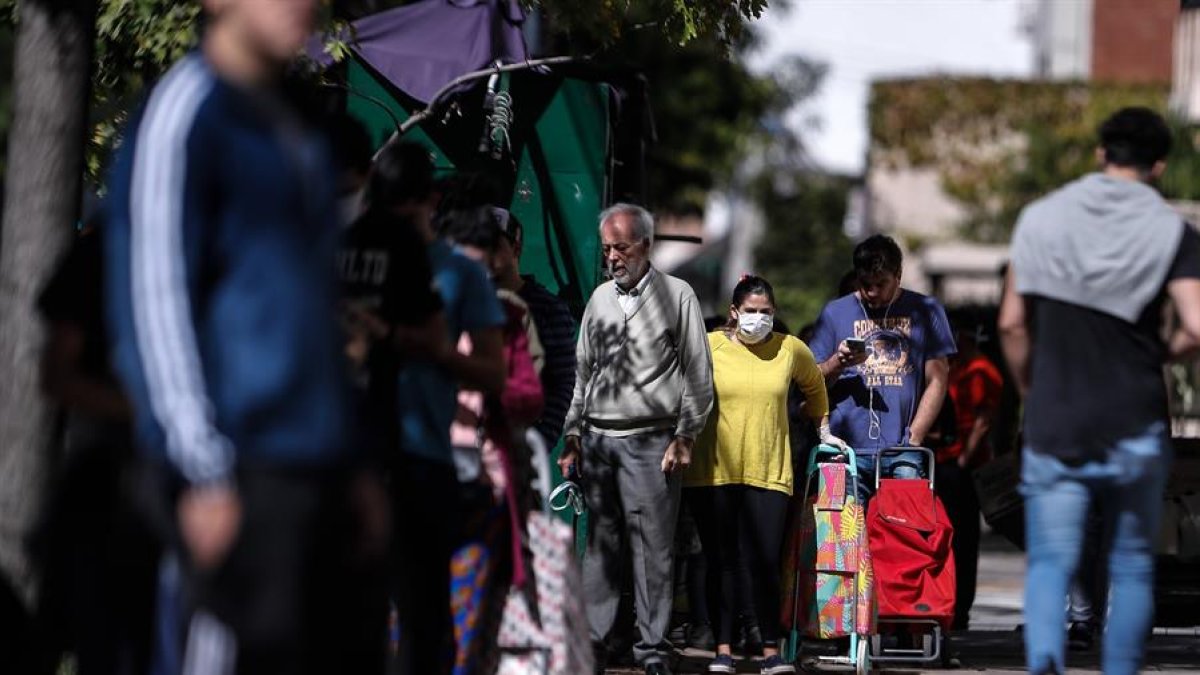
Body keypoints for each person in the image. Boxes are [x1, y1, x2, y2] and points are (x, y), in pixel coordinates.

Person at [103, 1, 387, 672]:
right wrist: (201, 470)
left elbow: (317, 310)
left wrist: (354, 461)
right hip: (237, 472)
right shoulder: (185, 113)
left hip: (319, 472)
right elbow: (154, 300)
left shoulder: (299, 122)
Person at [998, 106, 1200, 675]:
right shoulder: (1173, 233)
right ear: (1159, 166)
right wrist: (1158, 355)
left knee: (1050, 564)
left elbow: (1012, 323)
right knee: (1132, 563)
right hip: (1135, 418)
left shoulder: (1039, 219)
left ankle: (1046, 666)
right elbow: (1197, 324)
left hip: (1057, 419)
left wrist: (1031, 389)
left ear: (1100, 153)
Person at [558, 203, 714, 675]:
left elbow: (699, 376)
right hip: (600, 442)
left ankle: (651, 648)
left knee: (653, 551)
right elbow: (581, 374)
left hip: (653, 442)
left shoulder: (677, 295)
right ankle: (595, 643)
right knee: (601, 548)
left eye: (621, 247)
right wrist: (572, 434)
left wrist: (685, 436)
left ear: (646, 245)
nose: (612, 257)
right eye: (607, 248)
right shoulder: (600, 299)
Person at [376, 145, 508, 675]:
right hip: (355, 453)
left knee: (425, 613)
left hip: (424, 458)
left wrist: (431, 350)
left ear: (428, 203)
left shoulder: (459, 274)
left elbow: (496, 374)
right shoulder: (352, 253)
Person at [684, 275, 841, 675]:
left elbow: (815, 386)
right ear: (734, 313)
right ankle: (723, 650)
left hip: (769, 471)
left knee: (765, 562)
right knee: (722, 562)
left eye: (766, 312)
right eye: (751, 312)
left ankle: (771, 650)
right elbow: (681, 387)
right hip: (714, 472)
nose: (758, 319)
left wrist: (821, 427)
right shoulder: (710, 345)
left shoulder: (790, 350)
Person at [809, 235, 956, 498]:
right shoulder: (835, 312)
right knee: (841, 538)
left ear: (898, 275)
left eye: (881, 284)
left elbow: (938, 378)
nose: (873, 292)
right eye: (866, 284)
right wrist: (837, 362)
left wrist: (914, 438)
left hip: (903, 453)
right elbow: (811, 382)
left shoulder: (926, 310)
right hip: (843, 451)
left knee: (903, 536)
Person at [482, 207, 578, 450]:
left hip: (518, 443)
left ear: (516, 248)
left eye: (494, 245)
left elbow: (562, 382)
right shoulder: (467, 300)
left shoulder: (548, 309)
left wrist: (539, 442)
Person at [938, 312, 1003, 630]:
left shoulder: (980, 371)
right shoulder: (953, 368)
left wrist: (964, 459)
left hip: (963, 465)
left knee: (963, 539)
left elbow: (983, 419)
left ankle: (960, 606)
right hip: (943, 460)